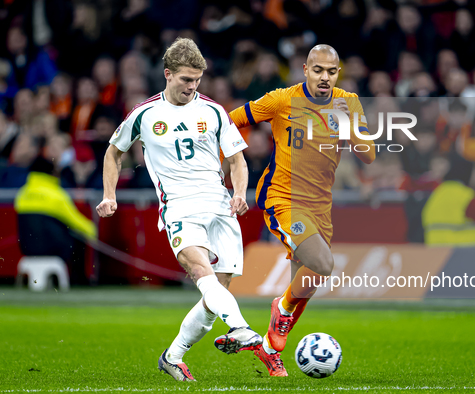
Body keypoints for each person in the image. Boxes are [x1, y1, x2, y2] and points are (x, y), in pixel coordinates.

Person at [95, 38, 262, 382]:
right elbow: (114, 152)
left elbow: (237, 161)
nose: (192, 86)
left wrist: (240, 192)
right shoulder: (144, 113)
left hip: (219, 206)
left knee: (218, 291)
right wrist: (109, 194)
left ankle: (173, 356)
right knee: (202, 275)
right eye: (186, 79)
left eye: (197, 80)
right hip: (179, 208)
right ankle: (243, 331)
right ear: (168, 75)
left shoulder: (213, 111)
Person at [229, 44, 375, 376]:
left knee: (305, 286)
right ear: (306, 70)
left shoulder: (347, 102)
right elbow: (231, 120)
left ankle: (268, 349)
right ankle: (278, 309)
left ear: (338, 73)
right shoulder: (282, 100)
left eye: (332, 71)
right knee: (322, 264)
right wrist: (226, 156)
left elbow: (369, 154)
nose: (325, 77)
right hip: (282, 198)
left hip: (320, 206)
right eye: (318, 70)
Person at [15, 137, 96, 285]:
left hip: (27, 249)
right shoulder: (56, 194)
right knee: (78, 236)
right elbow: (76, 221)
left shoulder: (22, 194)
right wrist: (93, 231)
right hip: (53, 249)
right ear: (52, 173)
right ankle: (78, 280)